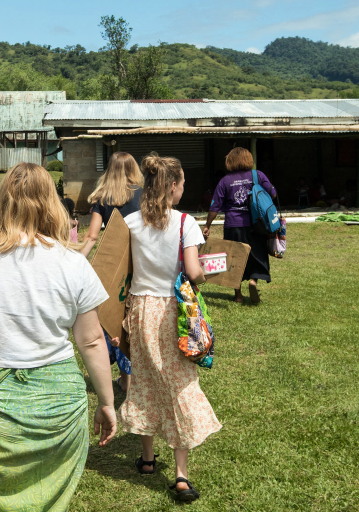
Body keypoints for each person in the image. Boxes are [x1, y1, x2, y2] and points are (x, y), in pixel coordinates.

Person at [0, 162, 117, 512]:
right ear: (51, 203)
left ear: (2, 202)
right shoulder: (72, 262)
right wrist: (107, 402)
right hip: (59, 409)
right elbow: (93, 341)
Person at [119, 153, 221, 503]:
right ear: (173, 187)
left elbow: (122, 270)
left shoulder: (130, 222)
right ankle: (180, 475)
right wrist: (208, 273)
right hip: (172, 312)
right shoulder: (185, 223)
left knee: (144, 380)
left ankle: (147, 460)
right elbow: (193, 273)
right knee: (179, 385)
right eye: (182, 184)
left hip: (139, 309)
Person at [79, 151, 144, 392]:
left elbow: (92, 236)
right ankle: (128, 379)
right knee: (130, 317)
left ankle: (108, 374)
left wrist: (76, 261)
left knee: (110, 317)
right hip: (138, 262)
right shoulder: (142, 194)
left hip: (111, 266)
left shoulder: (103, 197)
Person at [201, 147, 278, 304]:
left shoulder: (225, 181)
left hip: (233, 224)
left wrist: (208, 225)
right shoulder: (258, 175)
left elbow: (215, 206)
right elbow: (273, 193)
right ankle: (254, 281)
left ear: (230, 162)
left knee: (234, 258)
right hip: (256, 223)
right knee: (257, 252)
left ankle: (238, 295)